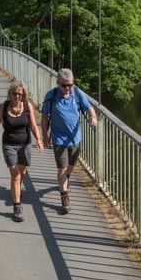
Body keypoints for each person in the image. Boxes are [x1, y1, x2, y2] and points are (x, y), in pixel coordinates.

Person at [41, 68, 98, 214]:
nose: (67, 88)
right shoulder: (51, 95)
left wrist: (93, 117)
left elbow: (89, 108)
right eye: (64, 85)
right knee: (62, 168)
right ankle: (64, 197)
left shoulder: (78, 93)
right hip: (59, 139)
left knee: (71, 165)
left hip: (75, 137)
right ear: (58, 82)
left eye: (70, 85)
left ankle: (65, 180)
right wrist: (45, 137)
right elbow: (44, 117)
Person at [0, 81, 43, 222]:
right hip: (9, 145)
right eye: (14, 93)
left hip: (25, 144)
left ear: (23, 95)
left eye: (19, 94)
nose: (17, 96)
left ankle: (16, 190)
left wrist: (39, 139)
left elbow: (34, 125)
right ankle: (17, 206)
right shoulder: (3, 107)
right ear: (10, 94)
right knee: (15, 175)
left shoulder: (27, 106)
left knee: (22, 172)